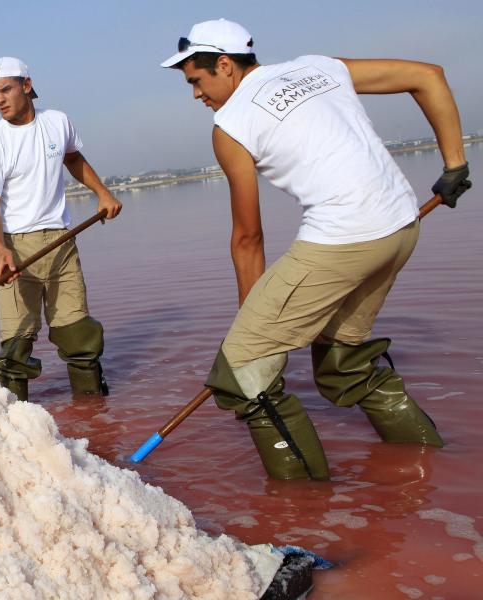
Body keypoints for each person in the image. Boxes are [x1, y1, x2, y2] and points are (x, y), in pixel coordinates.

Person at [161, 19, 471, 480]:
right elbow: (428, 75)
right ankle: (436, 471)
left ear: (224, 65)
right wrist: (455, 164)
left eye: (196, 80)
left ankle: (304, 512)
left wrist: (251, 324)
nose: (196, 95)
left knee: (243, 374)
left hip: (345, 237)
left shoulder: (230, 125)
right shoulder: (318, 67)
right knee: (343, 362)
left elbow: (248, 236)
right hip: (400, 225)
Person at [0, 57, 122, 402]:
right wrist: (0, 249)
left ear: (27, 85)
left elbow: (72, 158)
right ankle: (15, 418)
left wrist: (102, 193)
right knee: (16, 345)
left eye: (6, 89)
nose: (0, 99)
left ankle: (92, 415)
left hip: (61, 241)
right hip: (15, 249)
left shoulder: (58, 123)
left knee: (78, 335)